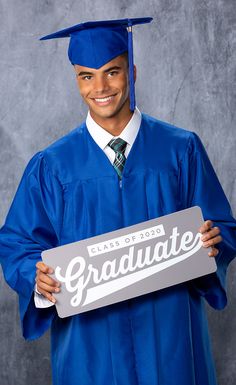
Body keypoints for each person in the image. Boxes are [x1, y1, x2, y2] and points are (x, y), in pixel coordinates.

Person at [0, 17, 235, 385]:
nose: (100, 87)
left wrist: (212, 242)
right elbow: (17, 242)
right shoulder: (52, 165)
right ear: (76, 80)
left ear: (132, 72)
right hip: (90, 345)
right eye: (86, 76)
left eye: (112, 72)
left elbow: (222, 225)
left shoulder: (180, 149)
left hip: (168, 335)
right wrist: (36, 276)